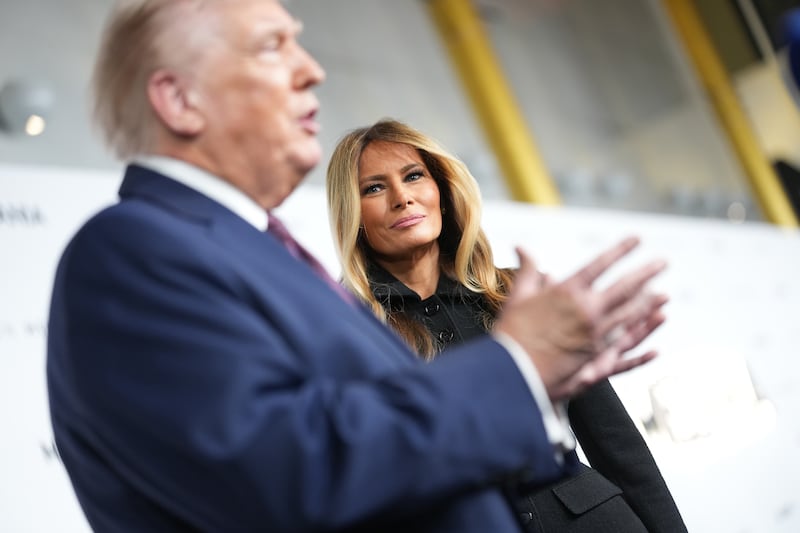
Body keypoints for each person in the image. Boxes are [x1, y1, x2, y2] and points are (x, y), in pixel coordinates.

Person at [47, 1, 669, 531]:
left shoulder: (260, 253)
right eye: (272, 47)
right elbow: (287, 476)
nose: (312, 70)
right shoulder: (132, 250)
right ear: (179, 100)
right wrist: (516, 369)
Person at [325, 118, 686, 532]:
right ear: (353, 214)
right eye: (374, 187)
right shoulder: (350, 335)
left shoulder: (524, 294)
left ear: (441, 192)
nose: (402, 198)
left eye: (413, 176)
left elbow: (616, 445)